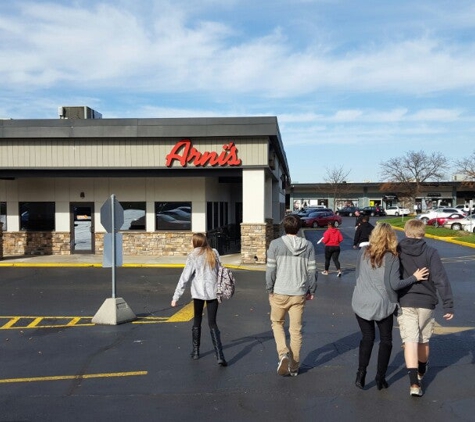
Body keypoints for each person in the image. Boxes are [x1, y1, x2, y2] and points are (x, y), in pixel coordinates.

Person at [352, 223, 428, 391]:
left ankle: (361, 373)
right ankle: (380, 377)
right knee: (386, 340)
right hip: (382, 303)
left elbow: (358, 276)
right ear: (391, 237)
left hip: (360, 300)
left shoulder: (362, 252)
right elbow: (394, 284)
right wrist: (414, 277)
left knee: (367, 338)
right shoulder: (392, 256)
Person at [397, 219, 454, 397]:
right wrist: (448, 305)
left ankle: (414, 384)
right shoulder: (431, 252)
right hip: (427, 302)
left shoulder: (398, 251)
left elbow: (393, 277)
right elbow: (440, 279)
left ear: (406, 232)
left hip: (406, 301)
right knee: (423, 340)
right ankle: (422, 369)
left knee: (409, 340)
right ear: (423, 233)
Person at [266, 214, 317, 377]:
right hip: (299, 293)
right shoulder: (308, 246)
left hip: (280, 291)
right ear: (299, 227)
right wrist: (312, 290)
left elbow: (271, 270)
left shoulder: (275, 244)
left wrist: (270, 289)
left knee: (277, 323)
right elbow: (312, 271)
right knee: (296, 331)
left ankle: (283, 354)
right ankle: (294, 367)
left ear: (284, 227)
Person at [171, 233, 227, 367]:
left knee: (197, 321)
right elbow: (220, 271)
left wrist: (175, 297)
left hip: (198, 293)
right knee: (213, 323)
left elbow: (184, 277)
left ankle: (196, 351)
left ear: (195, 242)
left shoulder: (193, 255)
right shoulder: (214, 253)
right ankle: (219, 355)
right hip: (213, 292)